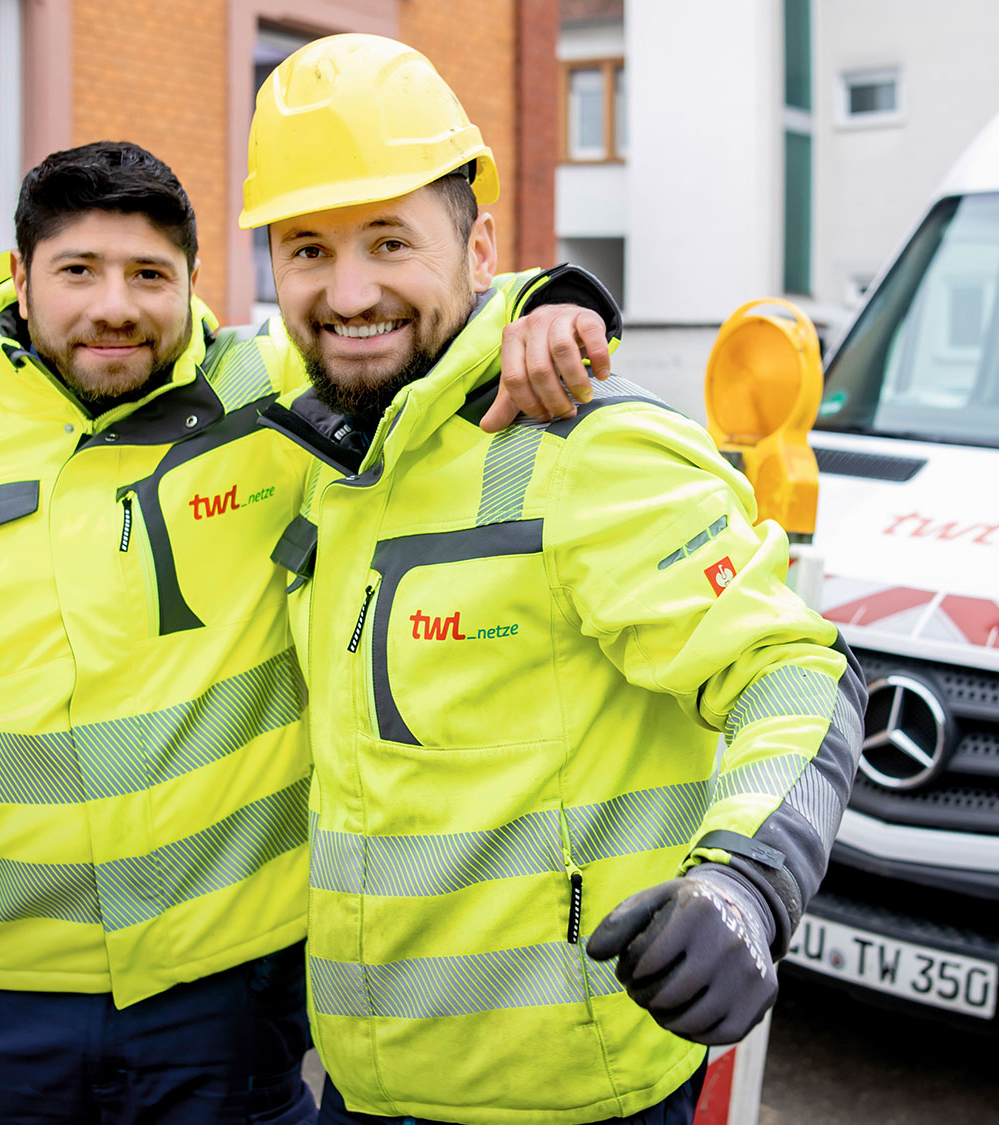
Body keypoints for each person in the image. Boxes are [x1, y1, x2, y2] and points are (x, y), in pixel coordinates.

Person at [0, 140, 619, 1123]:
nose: (114, 307)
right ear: (18, 277)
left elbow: (399, 325)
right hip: (2, 992)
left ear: (192, 282)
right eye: (78, 271)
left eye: (148, 275)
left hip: (228, 990)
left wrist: (549, 303)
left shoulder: (275, 398)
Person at [242, 35, 864, 1125]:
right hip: (365, 1086)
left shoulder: (584, 446)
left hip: (572, 1101)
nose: (347, 291)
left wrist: (745, 884)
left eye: (390, 241)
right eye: (306, 250)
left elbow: (794, 673)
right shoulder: (328, 447)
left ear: (479, 244)